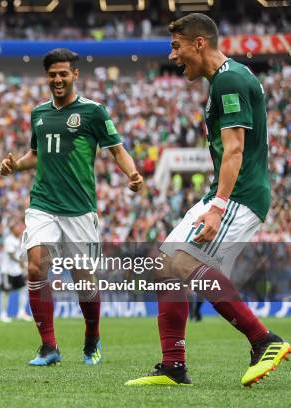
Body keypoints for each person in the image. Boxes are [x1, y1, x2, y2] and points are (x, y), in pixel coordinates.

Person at [125, 13, 289, 387]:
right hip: (226, 192)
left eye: (176, 46)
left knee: (182, 265)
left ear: (199, 43)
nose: (172, 55)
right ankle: (173, 366)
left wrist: (217, 207)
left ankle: (265, 341)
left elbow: (234, 150)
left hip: (238, 195)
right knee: (166, 266)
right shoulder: (226, 79)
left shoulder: (229, 80)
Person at [0, 48, 143, 366]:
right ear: (46, 77)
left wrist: (132, 173)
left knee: (84, 280)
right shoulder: (39, 113)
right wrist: (15, 166)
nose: (58, 79)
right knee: (36, 266)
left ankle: (92, 338)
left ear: (75, 74)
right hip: (43, 203)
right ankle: (49, 347)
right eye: (52, 74)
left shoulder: (93, 112)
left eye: (63, 73)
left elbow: (117, 150)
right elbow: (35, 155)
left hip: (79, 207)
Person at [0, 221, 31, 323]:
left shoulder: (17, 240)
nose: (20, 229)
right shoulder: (9, 240)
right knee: (6, 292)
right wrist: (21, 263)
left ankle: (21, 312)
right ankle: (3, 314)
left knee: (23, 289)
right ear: (12, 229)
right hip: (7, 271)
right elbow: (11, 255)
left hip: (16, 271)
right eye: (18, 227)